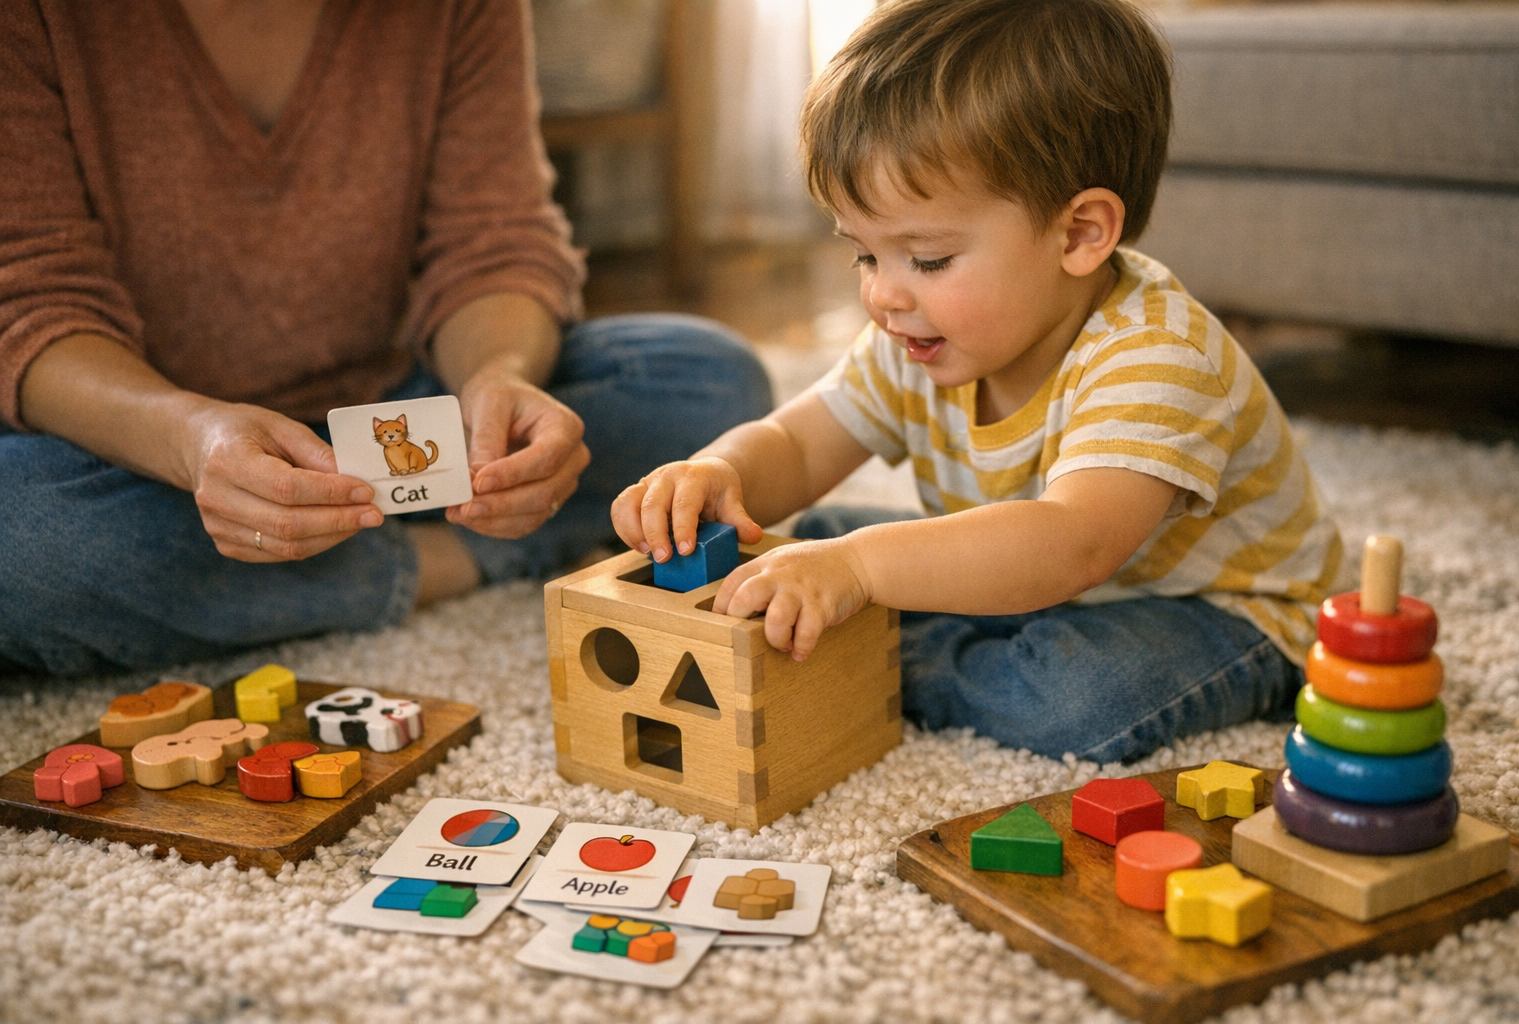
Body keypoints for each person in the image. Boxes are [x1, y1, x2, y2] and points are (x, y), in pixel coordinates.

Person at [611, 0, 1342, 764]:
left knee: (1079, 697)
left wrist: (858, 569)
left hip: (1219, 611)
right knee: (803, 539)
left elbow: (1071, 545)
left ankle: (875, 654)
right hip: (1038, 581)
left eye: (927, 259)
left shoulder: (1159, 355)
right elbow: (795, 445)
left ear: (1080, 233)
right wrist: (721, 474)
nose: (883, 294)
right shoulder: (916, 333)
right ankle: (867, 615)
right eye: (865, 254)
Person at [0, 0, 772, 676]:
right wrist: (191, 440)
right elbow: (32, 303)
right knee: (20, 533)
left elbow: (493, 243)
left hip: (395, 401)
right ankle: (453, 560)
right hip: (141, 447)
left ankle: (283, 577)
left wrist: (497, 375)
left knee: (711, 383)